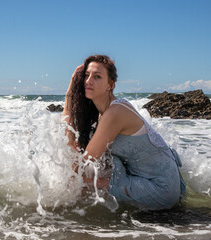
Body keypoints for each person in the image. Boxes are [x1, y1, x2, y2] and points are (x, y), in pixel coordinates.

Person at [63, 55, 186, 210]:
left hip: (161, 188)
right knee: (91, 172)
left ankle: (71, 220)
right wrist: (70, 94)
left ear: (110, 85)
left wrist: (65, 173)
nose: (88, 81)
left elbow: (84, 163)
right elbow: (69, 136)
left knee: (80, 182)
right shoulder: (103, 112)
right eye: (86, 76)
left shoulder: (115, 113)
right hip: (161, 177)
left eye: (97, 77)